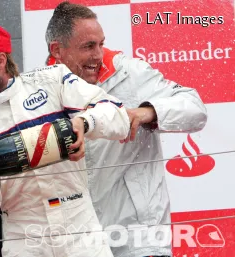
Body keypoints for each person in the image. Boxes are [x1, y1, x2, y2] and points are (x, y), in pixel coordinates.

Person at [0, 21, 131, 257]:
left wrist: (84, 123)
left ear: (0, 60)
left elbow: (119, 117)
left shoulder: (53, 80)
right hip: (24, 239)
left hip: (82, 231)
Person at [44, 2, 208, 257]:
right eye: (88, 46)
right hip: (79, 245)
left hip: (139, 241)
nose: (99, 55)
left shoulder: (128, 73)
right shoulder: (39, 92)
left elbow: (195, 109)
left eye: (101, 43)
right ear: (58, 50)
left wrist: (148, 112)